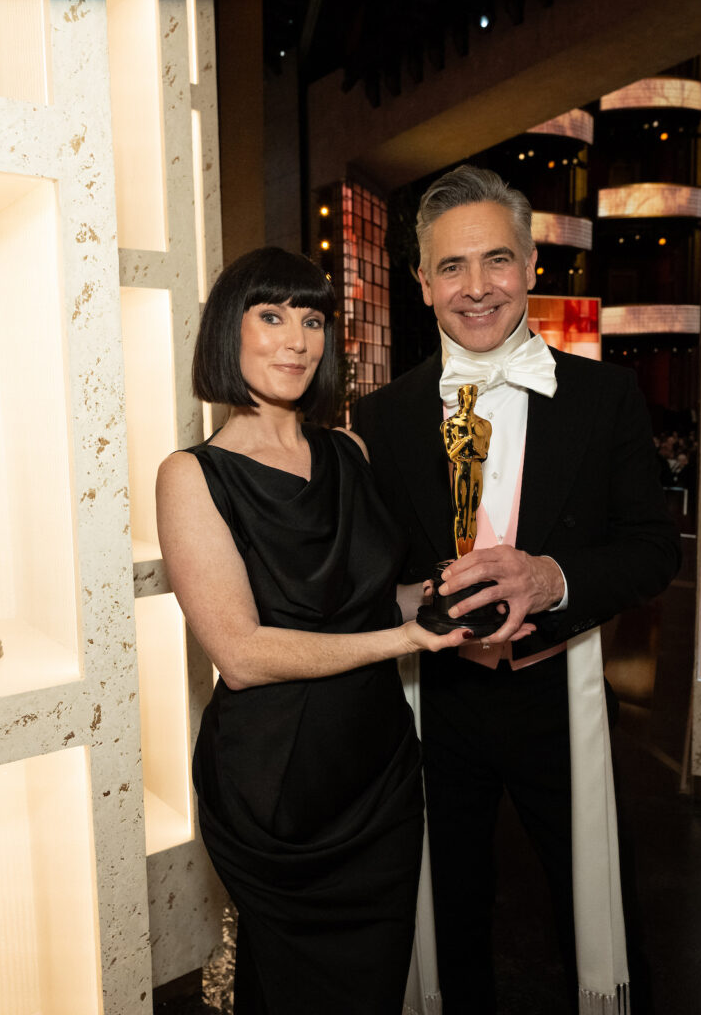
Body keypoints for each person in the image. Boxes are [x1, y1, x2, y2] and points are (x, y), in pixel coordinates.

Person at [352, 166, 681, 1015]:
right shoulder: (383, 417)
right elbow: (369, 571)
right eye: (451, 267)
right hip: (435, 707)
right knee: (447, 913)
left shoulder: (604, 397)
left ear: (531, 264)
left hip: (559, 694)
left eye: (496, 260)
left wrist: (551, 577)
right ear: (421, 283)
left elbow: (651, 551)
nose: (476, 287)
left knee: (598, 908)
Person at [156, 247, 495, 1014]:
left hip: (377, 773)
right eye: (271, 316)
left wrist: (447, 596)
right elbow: (241, 655)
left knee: (371, 989)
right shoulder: (193, 475)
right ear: (226, 333)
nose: (298, 339)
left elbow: (376, 605)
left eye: (313, 319)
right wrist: (405, 642)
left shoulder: (350, 451)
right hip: (277, 786)